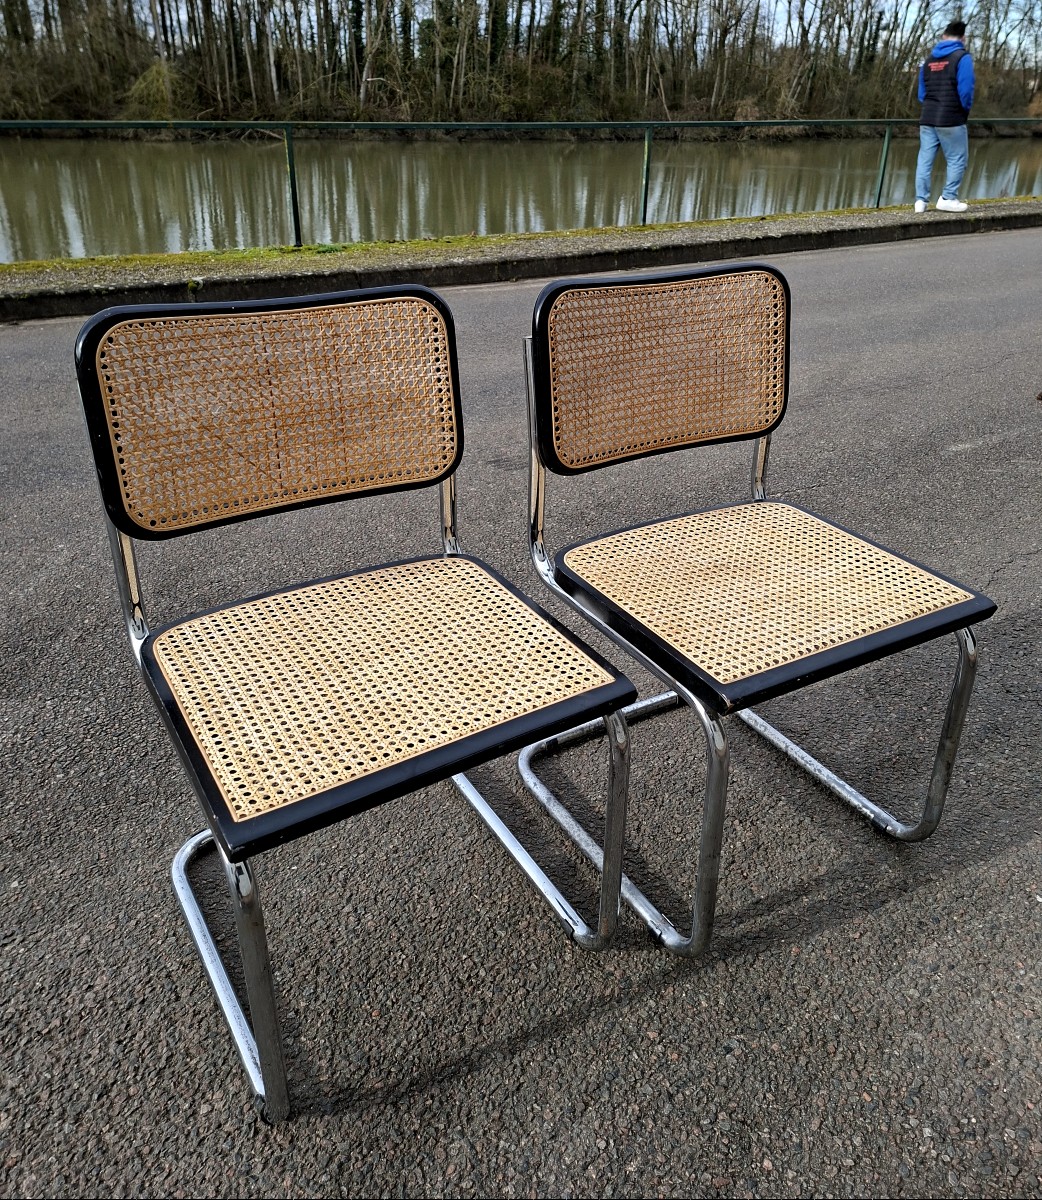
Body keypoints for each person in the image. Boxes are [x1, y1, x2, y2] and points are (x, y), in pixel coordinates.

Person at [914, 20, 975, 213]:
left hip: (927, 117)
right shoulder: (962, 58)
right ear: (963, 38)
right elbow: (966, 91)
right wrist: (963, 110)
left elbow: (921, 94)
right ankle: (948, 198)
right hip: (951, 118)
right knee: (957, 158)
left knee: (924, 160)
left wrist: (931, 106)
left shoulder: (929, 60)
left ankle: (920, 202)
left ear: (943, 36)